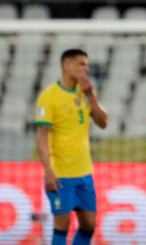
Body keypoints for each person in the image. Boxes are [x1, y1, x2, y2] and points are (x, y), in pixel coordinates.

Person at [35, 49, 108, 245]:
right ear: (67, 65)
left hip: (84, 172)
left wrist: (91, 95)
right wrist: (48, 170)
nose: (86, 68)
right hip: (60, 173)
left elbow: (103, 122)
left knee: (89, 224)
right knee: (62, 222)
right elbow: (41, 138)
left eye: (87, 65)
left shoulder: (85, 92)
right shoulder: (49, 97)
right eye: (81, 64)